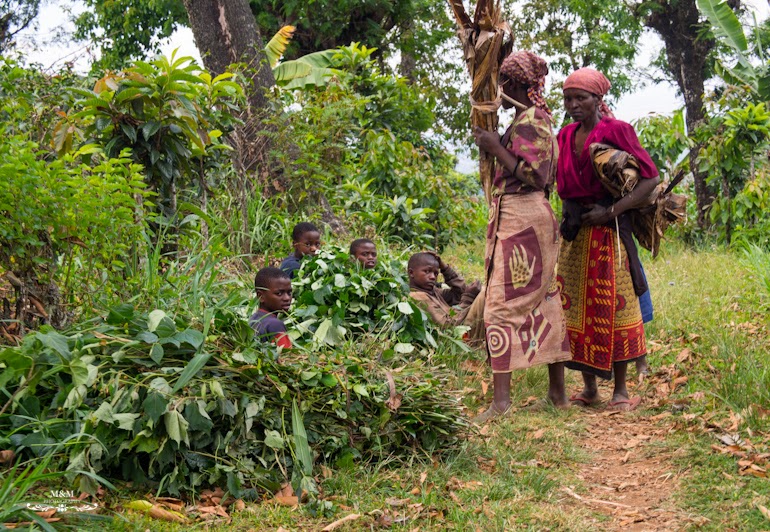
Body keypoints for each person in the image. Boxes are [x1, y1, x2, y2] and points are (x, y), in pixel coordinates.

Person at [472, 50, 572, 421]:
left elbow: (536, 175)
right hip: (520, 216)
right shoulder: (525, 119)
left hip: (523, 217)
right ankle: (557, 395)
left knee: (500, 305)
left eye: (503, 81)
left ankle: (501, 403)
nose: (499, 88)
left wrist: (496, 147)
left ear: (514, 84)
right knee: (542, 299)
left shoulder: (533, 120)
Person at [555, 67, 660, 411]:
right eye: (568, 99)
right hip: (575, 235)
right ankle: (589, 389)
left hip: (609, 232)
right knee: (575, 310)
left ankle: (621, 391)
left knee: (616, 307)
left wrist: (611, 211)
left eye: (581, 98)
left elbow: (650, 179)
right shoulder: (564, 135)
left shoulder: (617, 130)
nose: (573, 105)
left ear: (598, 99)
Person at [407, 252, 485, 344]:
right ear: (411, 273)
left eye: (436, 273)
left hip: (462, 328)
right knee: (484, 293)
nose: (433, 277)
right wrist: (468, 298)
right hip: (458, 337)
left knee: (485, 291)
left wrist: (444, 268)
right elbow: (447, 327)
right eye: (427, 271)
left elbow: (459, 292)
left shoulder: (433, 292)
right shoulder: (418, 297)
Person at [249, 267, 293, 349]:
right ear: (261, 296)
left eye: (289, 292)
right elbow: (286, 354)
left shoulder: (253, 319)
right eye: (279, 293)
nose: (287, 298)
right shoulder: (275, 325)